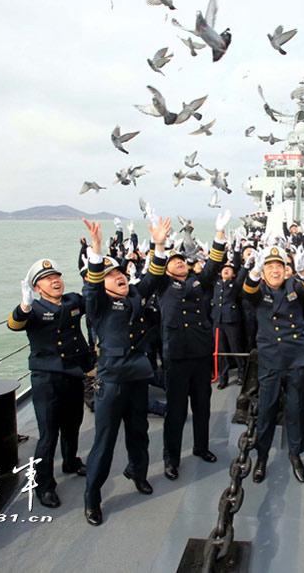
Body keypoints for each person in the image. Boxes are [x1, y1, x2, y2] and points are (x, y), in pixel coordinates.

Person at [80, 216, 170, 526]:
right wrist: (95, 249)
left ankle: (138, 473)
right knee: (104, 442)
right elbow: (90, 290)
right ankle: (92, 497)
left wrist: (158, 245)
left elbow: (154, 278)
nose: (118, 276)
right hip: (112, 382)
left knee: (139, 434)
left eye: (120, 272)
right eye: (111, 275)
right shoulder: (98, 305)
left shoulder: (134, 296)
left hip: (137, 379)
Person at [7, 258, 94, 508]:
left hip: (73, 374)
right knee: (48, 434)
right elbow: (14, 324)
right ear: (37, 287)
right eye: (47, 278)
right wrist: (23, 306)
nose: (54, 280)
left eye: (57, 276)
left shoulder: (72, 301)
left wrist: (96, 269)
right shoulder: (32, 308)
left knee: (73, 423)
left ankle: (70, 461)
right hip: (46, 379)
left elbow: (94, 300)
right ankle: (44, 485)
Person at [154, 211, 230, 481]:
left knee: (202, 407)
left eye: (182, 262)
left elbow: (212, 266)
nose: (180, 265)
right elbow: (157, 267)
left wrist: (219, 236)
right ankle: (171, 458)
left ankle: (201, 447)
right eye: (174, 263)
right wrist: (160, 246)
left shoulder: (198, 282)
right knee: (175, 412)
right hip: (176, 356)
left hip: (200, 354)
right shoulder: (162, 286)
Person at [242, 245, 304, 483]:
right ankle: (262, 456)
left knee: (297, 409)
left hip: (296, 358)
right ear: (263, 272)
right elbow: (247, 290)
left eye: (279, 266)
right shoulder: (258, 290)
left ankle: (295, 454)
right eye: (269, 266)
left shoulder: (294, 286)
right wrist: (254, 270)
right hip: (271, 358)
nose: (275, 270)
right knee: (267, 409)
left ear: (286, 270)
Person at [212, 261, 248, 388]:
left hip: (231, 319)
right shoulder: (216, 283)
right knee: (220, 351)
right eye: (224, 269)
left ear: (233, 275)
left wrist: (246, 264)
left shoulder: (235, 284)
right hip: (217, 319)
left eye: (229, 269)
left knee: (235, 348)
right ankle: (223, 378)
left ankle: (241, 375)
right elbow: (210, 269)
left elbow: (242, 275)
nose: (226, 270)